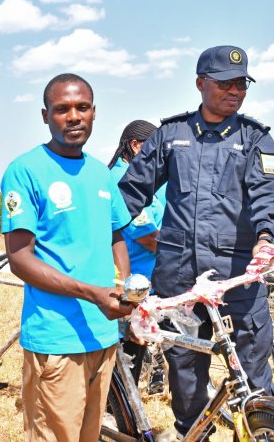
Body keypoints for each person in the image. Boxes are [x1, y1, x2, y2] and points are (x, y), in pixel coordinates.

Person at [118, 45, 274, 437]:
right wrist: (93, 236)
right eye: (225, 83)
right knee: (185, 368)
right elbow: (130, 193)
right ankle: (193, 432)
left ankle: (260, 431)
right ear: (200, 83)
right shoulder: (171, 136)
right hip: (178, 275)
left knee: (252, 367)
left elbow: (271, 193)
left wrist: (266, 236)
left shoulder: (256, 139)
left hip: (237, 274)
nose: (235, 90)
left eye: (241, 83)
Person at [1, 73, 133, 442]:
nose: (74, 116)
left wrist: (126, 288)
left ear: (94, 113)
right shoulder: (25, 170)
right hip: (56, 339)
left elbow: (116, 236)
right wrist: (93, 293)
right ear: (46, 116)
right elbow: (20, 259)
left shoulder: (101, 174)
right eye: (62, 109)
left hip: (103, 336)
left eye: (82, 107)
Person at [108, 119, 166, 394]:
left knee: (137, 348)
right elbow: (146, 237)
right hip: (129, 281)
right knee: (126, 357)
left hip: (145, 278)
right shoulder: (122, 180)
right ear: (135, 146)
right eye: (153, 149)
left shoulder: (141, 176)